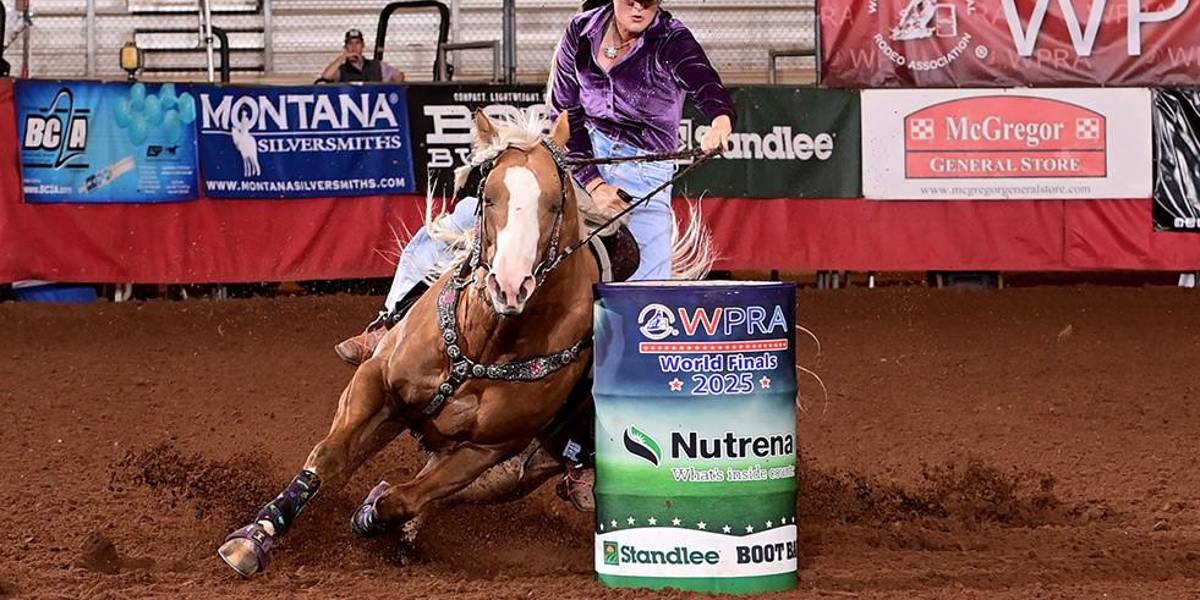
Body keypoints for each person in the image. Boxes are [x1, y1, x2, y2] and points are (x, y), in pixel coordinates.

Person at [334, 0, 734, 365]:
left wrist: (719, 119)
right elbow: (562, 111)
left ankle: (606, 406)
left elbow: (703, 81)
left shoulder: (671, 39)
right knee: (466, 221)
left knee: (649, 297)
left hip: (643, 177)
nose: (640, 6)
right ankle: (388, 325)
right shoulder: (581, 32)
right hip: (580, 160)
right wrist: (593, 183)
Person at [319, 28, 405, 83]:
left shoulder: (377, 65)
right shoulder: (341, 70)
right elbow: (326, 76)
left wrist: (389, 90)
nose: (354, 47)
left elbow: (399, 75)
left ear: (363, 45)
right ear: (345, 47)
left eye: (357, 43)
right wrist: (342, 57)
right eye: (350, 44)